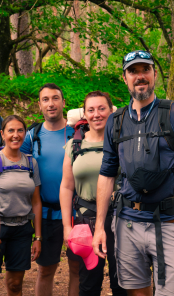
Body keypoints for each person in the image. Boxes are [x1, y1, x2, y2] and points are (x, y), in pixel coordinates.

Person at [92, 50, 174, 296]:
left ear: (154, 74)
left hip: (167, 222)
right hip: (126, 222)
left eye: (145, 69)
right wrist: (99, 227)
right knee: (137, 291)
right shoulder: (115, 121)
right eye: (133, 71)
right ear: (124, 78)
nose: (140, 76)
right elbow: (106, 173)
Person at [0, 83, 79, 296]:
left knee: (77, 269)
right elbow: (10, 150)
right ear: (39, 105)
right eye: (45, 99)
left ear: (63, 102)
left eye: (55, 98)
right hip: (47, 214)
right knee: (45, 270)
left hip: (76, 213)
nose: (51, 104)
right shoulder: (33, 135)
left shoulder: (77, 134)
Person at [60, 91, 127, 296]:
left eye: (101, 109)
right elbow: (66, 187)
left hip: (120, 218)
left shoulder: (123, 143)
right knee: (89, 284)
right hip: (85, 219)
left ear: (111, 111)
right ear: (85, 114)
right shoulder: (75, 145)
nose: (96, 114)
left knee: (122, 283)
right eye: (91, 110)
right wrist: (66, 226)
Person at [0, 115, 42, 296]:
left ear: (25, 134)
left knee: (16, 284)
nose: (15, 135)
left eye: (20, 130)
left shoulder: (31, 163)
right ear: (2, 134)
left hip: (22, 230)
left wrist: (37, 237)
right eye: (11, 130)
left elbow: (36, 201)